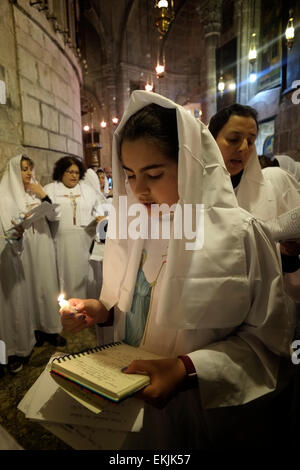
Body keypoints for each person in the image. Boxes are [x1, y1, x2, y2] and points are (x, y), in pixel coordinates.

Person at [59, 91, 294, 449]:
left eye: (154, 174)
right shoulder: (134, 228)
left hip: (197, 408)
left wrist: (187, 368)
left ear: (190, 163)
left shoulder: (242, 235)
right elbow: (136, 307)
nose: (139, 191)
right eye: (130, 175)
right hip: (129, 395)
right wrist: (103, 312)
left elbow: (267, 344)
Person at [208, 104, 300, 291]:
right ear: (210, 141)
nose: (243, 148)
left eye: (250, 142)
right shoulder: (192, 193)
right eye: (234, 139)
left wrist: (288, 254)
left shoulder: (275, 183)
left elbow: (288, 271)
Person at [0, 155, 65, 357]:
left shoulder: (36, 192)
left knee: (45, 285)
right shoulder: (5, 196)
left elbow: (55, 215)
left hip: (42, 245)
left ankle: (51, 329)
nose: (29, 173)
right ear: (13, 172)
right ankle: (34, 330)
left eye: (30, 168)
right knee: (28, 291)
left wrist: (44, 195)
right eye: (24, 169)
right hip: (22, 250)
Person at [44, 156, 104, 299]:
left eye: (77, 172)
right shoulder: (51, 189)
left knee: (85, 275)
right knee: (64, 276)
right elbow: (50, 215)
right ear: (61, 172)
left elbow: (99, 209)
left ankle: (88, 313)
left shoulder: (88, 191)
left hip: (85, 241)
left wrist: (99, 218)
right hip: (60, 242)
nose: (74, 175)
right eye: (70, 172)